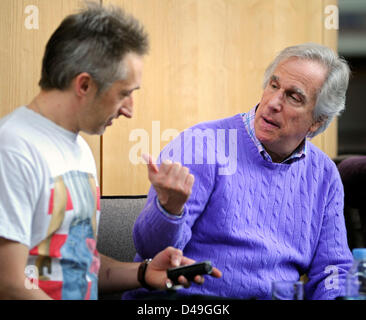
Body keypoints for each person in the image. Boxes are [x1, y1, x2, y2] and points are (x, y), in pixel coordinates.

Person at [0, 2, 221, 300]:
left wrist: (144, 272)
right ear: (85, 85)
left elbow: (80, 266)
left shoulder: (77, 149)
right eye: (125, 94)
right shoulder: (13, 149)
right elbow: (9, 283)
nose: (130, 111)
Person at [126, 43, 353, 300]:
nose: (273, 103)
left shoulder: (324, 174)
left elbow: (333, 268)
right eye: (273, 86)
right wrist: (168, 210)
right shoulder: (201, 145)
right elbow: (150, 251)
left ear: (317, 122)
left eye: (294, 97)